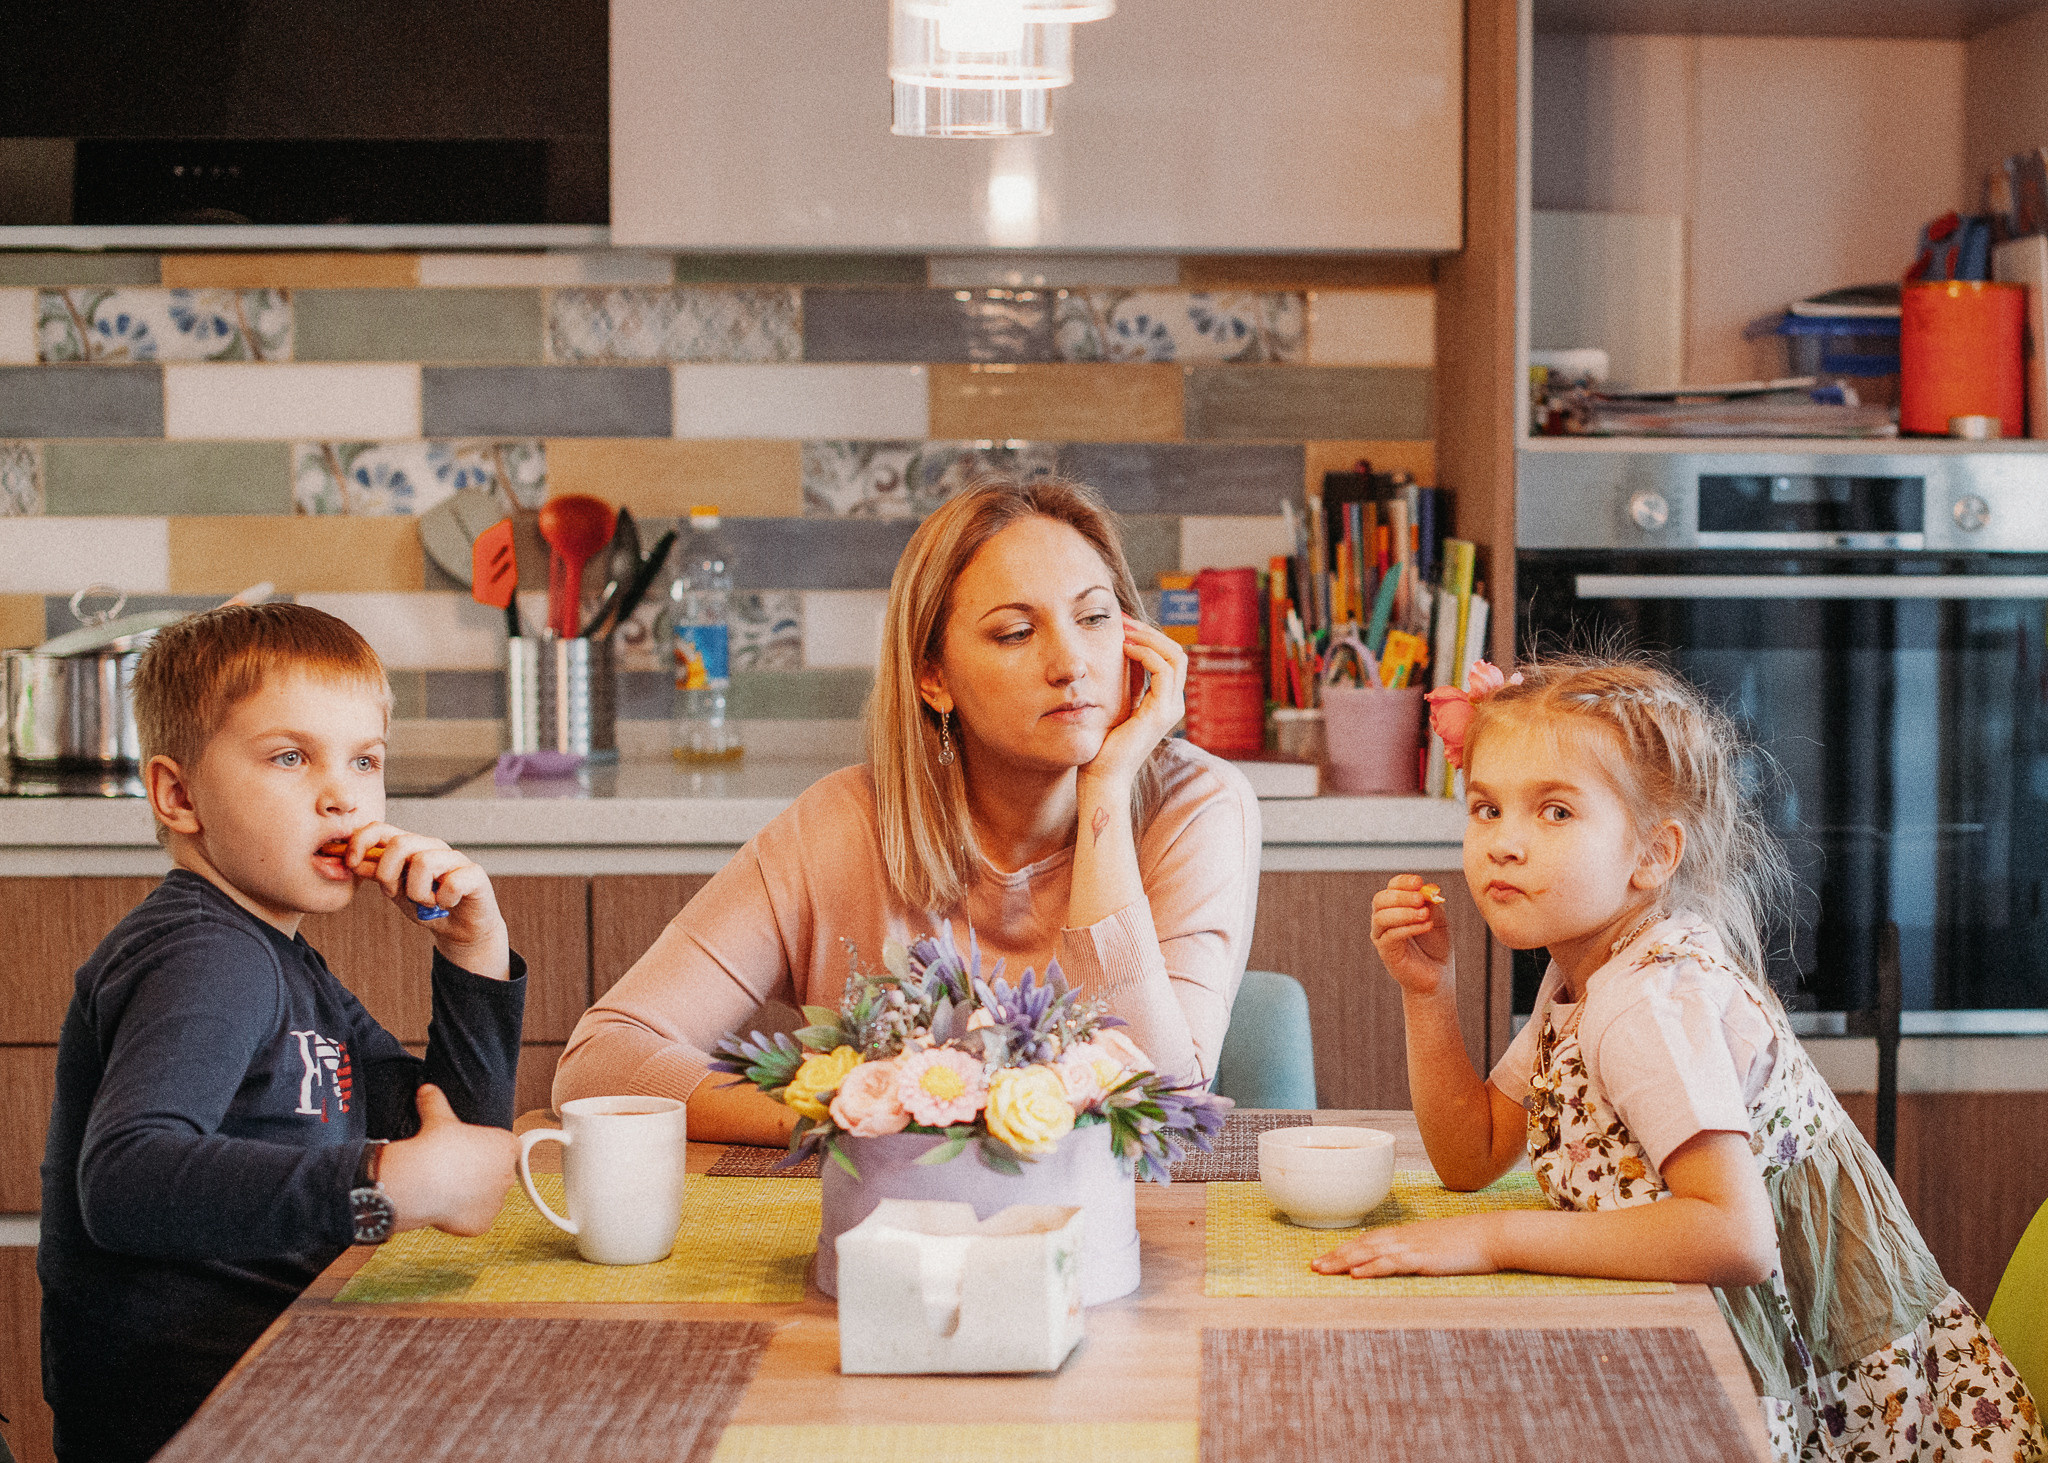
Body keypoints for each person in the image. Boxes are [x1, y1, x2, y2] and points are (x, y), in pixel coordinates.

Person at [1311, 654, 2044, 1462]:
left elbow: (1734, 1235)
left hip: (1841, 1401)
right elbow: (1473, 1152)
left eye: (1555, 811)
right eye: (1486, 808)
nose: (1504, 843)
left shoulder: (1648, 1001)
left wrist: (1492, 1240)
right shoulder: (1585, 971)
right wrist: (1428, 993)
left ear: (1653, 855)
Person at [555, 476, 1262, 1143]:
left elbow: (1161, 1106)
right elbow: (600, 1060)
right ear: (933, 677)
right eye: (1017, 632)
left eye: (1095, 617)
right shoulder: (842, 825)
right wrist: (846, 1109)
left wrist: (1105, 791)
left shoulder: (1195, 807)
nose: (1071, 662)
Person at [40, 604, 527, 1463]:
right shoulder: (203, 955)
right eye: (290, 756)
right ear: (178, 794)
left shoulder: (282, 960)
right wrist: (379, 1182)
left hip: (288, 1395)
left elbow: (449, 1136)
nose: (341, 792)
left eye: (365, 760)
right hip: (198, 1427)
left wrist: (473, 953)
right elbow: (122, 1182)